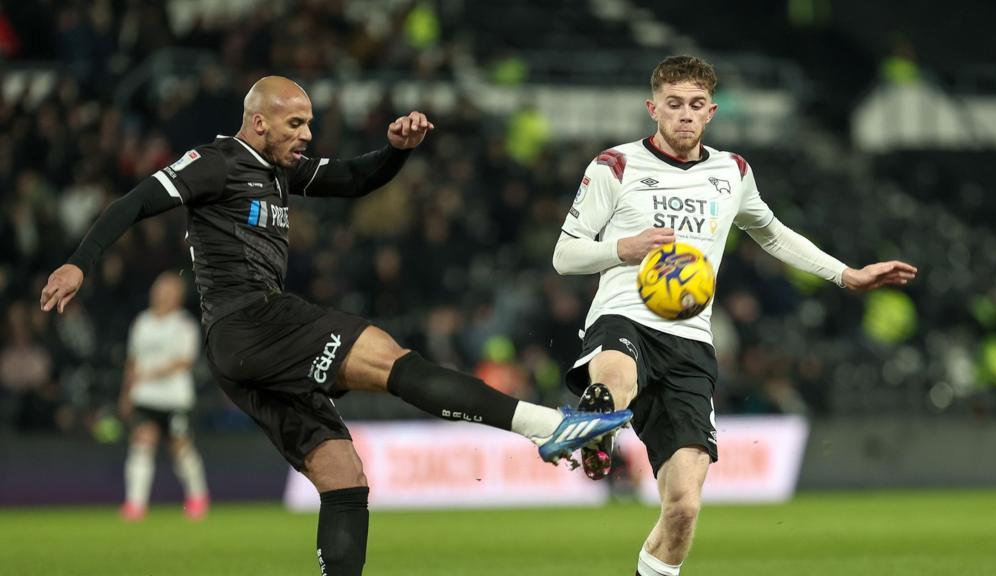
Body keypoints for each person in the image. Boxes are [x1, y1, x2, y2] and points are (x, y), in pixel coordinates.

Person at [40, 76, 632, 575]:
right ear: (258, 123)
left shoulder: (280, 170)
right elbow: (135, 202)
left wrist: (396, 150)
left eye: (309, 123)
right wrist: (78, 263)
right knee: (393, 360)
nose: (306, 135)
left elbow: (353, 179)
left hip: (243, 357)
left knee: (343, 477)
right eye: (295, 124)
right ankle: (547, 427)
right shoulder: (217, 161)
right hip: (252, 322)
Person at [552, 55, 917, 576]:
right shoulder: (615, 165)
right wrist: (623, 247)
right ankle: (601, 418)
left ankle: (606, 427)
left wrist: (846, 274)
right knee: (616, 374)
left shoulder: (733, 172)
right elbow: (565, 256)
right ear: (652, 108)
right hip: (624, 316)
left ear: (711, 112)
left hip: (691, 342)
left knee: (682, 509)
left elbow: (770, 232)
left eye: (695, 106)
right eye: (673, 105)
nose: (684, 115)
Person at [118, 271, 208, 521]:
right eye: (158, 288)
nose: (160, 293)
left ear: (177, 296)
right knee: (142, 442)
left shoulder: (184, 324)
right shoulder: (142, 322)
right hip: (145, 397)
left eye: (167, 289)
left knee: (180, 448)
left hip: (174, 398)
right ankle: (135, 504)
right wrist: (126, 394)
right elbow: (132, 361)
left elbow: (184, 361)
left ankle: (198, 497)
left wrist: (151, 373)